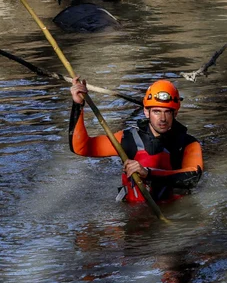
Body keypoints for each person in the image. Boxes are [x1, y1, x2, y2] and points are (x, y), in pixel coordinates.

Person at [69, 78, 203, 203]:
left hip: (172, 214)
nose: (162, 118)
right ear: (146, 111)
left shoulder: (188, 144)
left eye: (167, 112)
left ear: (175, 113)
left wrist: (148, 173)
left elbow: (192, 177)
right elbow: (81, 147)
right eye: (156, 111)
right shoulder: (127, 138)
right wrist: (78, 104)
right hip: (132, 214)